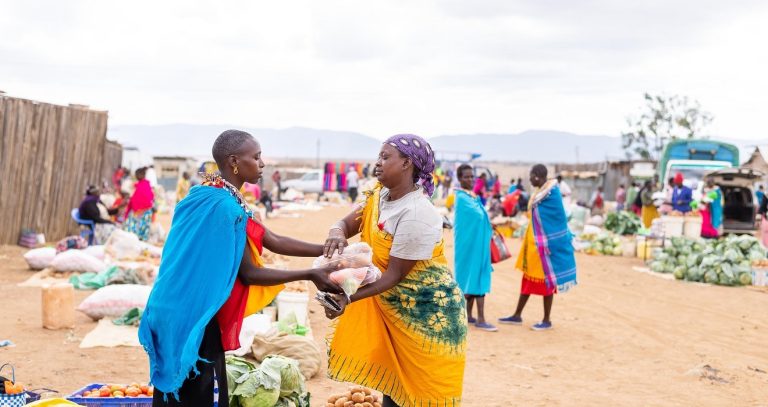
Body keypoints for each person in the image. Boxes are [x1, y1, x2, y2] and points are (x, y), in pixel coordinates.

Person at [139, 130, 341, 406]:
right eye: (256, 157)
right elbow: (250, 273)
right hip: (194, 313)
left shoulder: (211, 195)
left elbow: (274, 240)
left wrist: (329, 249)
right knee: (197, 395)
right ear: (234, 161)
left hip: (171, 305)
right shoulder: (224, 207)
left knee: (179, 395)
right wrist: (309, 273)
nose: (262, 163)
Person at [322, 134, 467, 407]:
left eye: (385, 157)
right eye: (379, 156)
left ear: (407, 164)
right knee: (394, 388)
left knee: (425, 396)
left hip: (426, 316)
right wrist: (336, 232)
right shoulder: (378, 197)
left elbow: (394, 276)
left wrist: (347, 296)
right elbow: (346, 223)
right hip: (394, 310)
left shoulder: (417, 213)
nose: (377, 163)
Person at [499, 164, 577, 331]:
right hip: (533, 245)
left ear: (538, 176)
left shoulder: (551, 194)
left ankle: (546, 320)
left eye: (532, 175)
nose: (529, 179)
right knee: (527, 281)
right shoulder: (540, 192)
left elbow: (556, 219)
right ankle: (517, 315)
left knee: (547, 282)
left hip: (545, 247)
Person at [453, 164, 496, 332]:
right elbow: (479, 216)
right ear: (459, 178)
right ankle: (481, 319)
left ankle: (468, 316)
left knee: (471, 276)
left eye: (472, 177)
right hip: (469, 245)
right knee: (475, 276)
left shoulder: (471, 196)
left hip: (477, 243)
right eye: (466, 177)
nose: (470, 180)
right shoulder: (462, 198)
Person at [123, 167, 155, 241]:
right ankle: (142, 240)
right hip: (147, 212)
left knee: (131, 224)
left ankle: (133, 239)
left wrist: (129, 211)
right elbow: (151, 198)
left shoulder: (137, 187)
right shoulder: (147, 185)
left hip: (138, 212)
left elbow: (133, 200)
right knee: (144, 228)